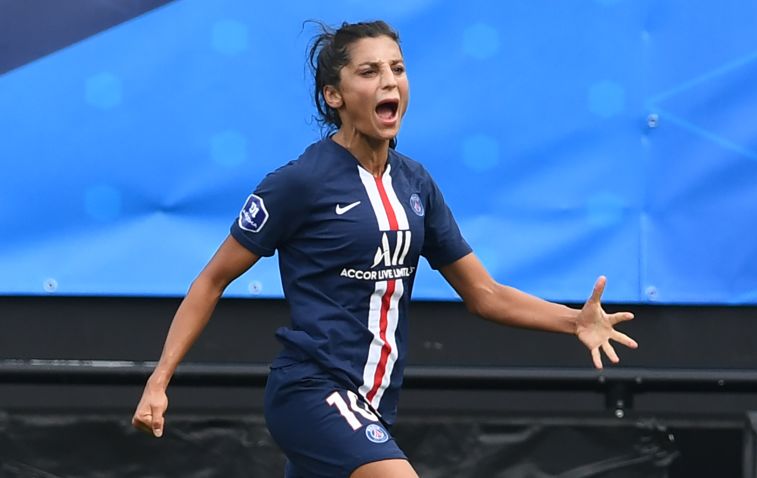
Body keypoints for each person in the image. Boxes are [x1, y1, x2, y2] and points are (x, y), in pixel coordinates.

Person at [132, 19, 638, 478]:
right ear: (334, 94)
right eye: (370, 72)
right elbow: (212, 279)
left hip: (375, 404)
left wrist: (572, 321)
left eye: (397, 68)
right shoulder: (299, 183)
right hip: (310, 392)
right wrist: (159, 380)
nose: (389, 81)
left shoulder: (416, 184)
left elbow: (485, 294)